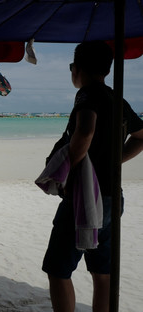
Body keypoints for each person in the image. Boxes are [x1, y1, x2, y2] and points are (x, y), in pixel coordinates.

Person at [42, 41, 143, 312]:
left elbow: (85, 131)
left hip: (85, 197)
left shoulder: (87, 95)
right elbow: (140, 136)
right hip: (111, 196)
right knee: (102, 272)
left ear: (76, 69)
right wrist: (115, 160)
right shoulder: (116, 98)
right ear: (107, 69)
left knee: (58, 269)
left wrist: (68, 166)